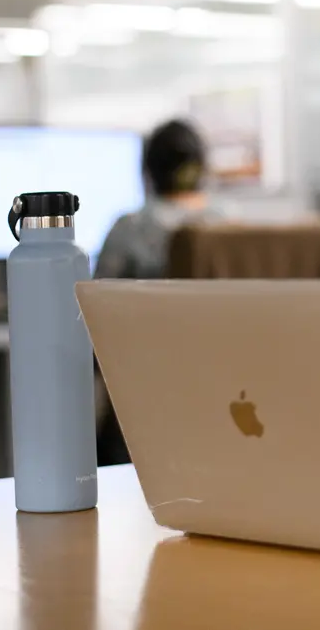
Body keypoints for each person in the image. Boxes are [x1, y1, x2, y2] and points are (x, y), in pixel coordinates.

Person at [93, 118, 225, 465]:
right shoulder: (230, 227)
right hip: (226, 410)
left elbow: (95, 324)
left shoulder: (132, 229)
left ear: (148, 172)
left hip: (144, 420)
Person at [94, 118, 223, 280]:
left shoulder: (131, 227)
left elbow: (97, 297)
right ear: (202, 169)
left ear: (148, 171)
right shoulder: (228, 223)